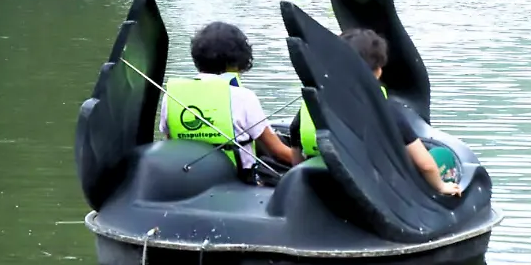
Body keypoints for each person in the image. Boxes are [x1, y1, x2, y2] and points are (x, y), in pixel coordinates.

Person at [291, 29, 461, 196]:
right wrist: (440, 187)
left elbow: (296, 141)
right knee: (441, 155)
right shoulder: (386, 112)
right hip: (371, 185)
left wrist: (298, 171)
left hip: (317, 179)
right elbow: (425, 165)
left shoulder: (311, 105)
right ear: (378, 71)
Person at [159, 22, 297, 185]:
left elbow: (170, 142)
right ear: (237, 59)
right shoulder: (244, 97)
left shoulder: (173, 96)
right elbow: (277, 152)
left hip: (190, 180)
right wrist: (310, 162)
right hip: (238, 181)